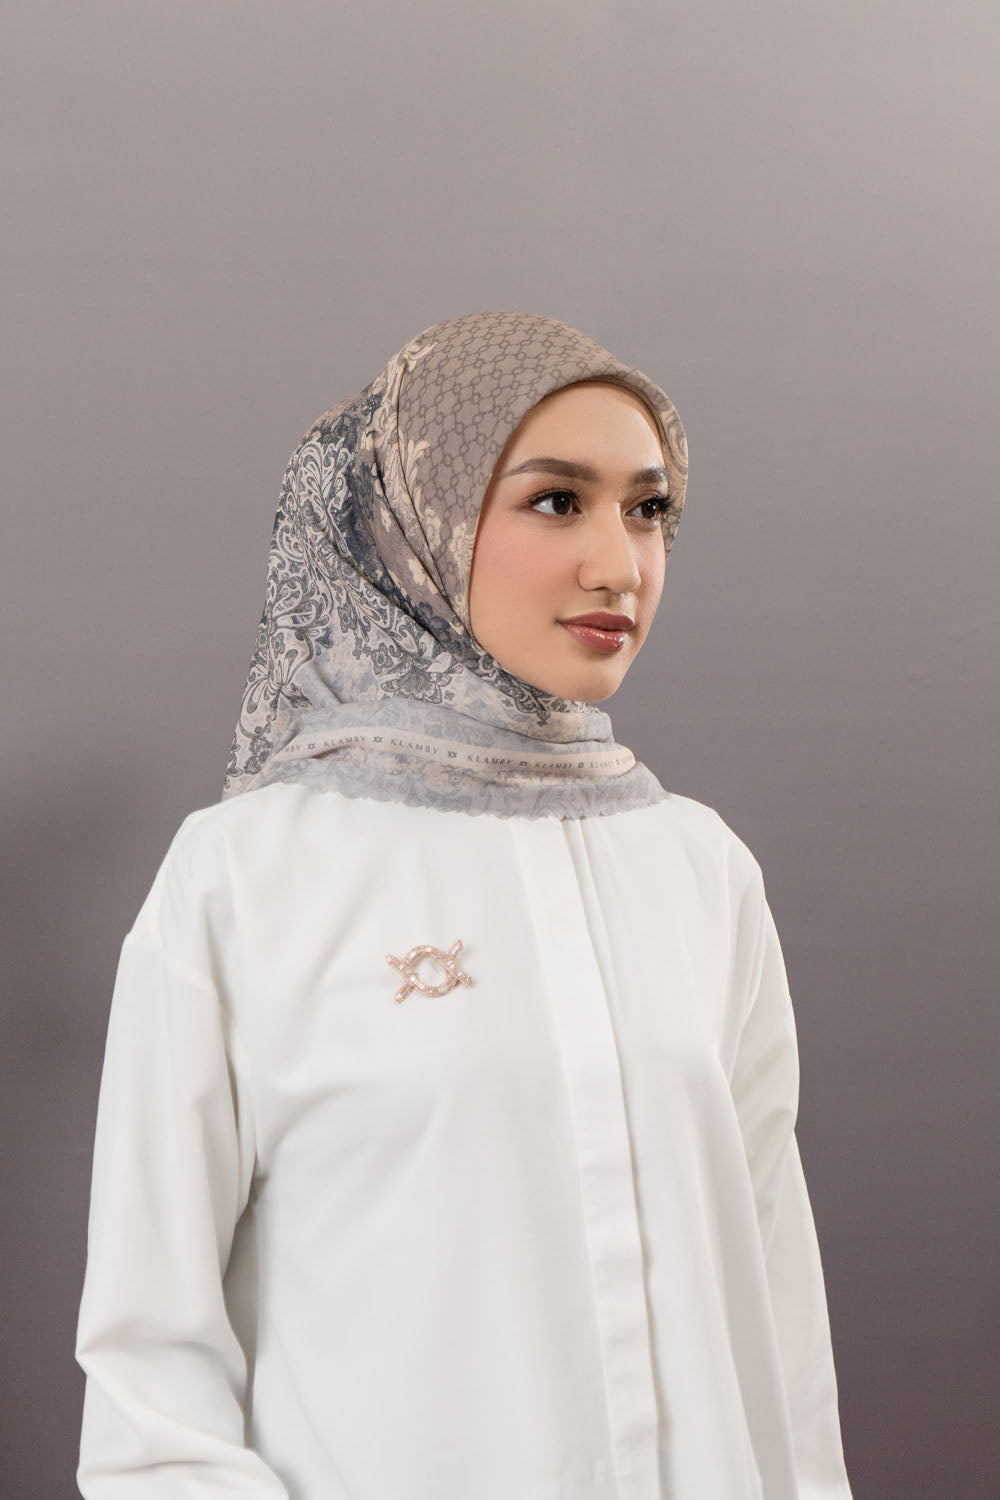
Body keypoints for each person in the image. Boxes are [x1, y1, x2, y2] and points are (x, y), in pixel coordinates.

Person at [75, 310, 854, 1499]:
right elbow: (150, 1382)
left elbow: (774, 1304)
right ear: (411, 522)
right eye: (557, 501)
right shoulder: (249, 877)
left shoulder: (697, 868)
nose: (619, 563)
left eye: (648, 508)